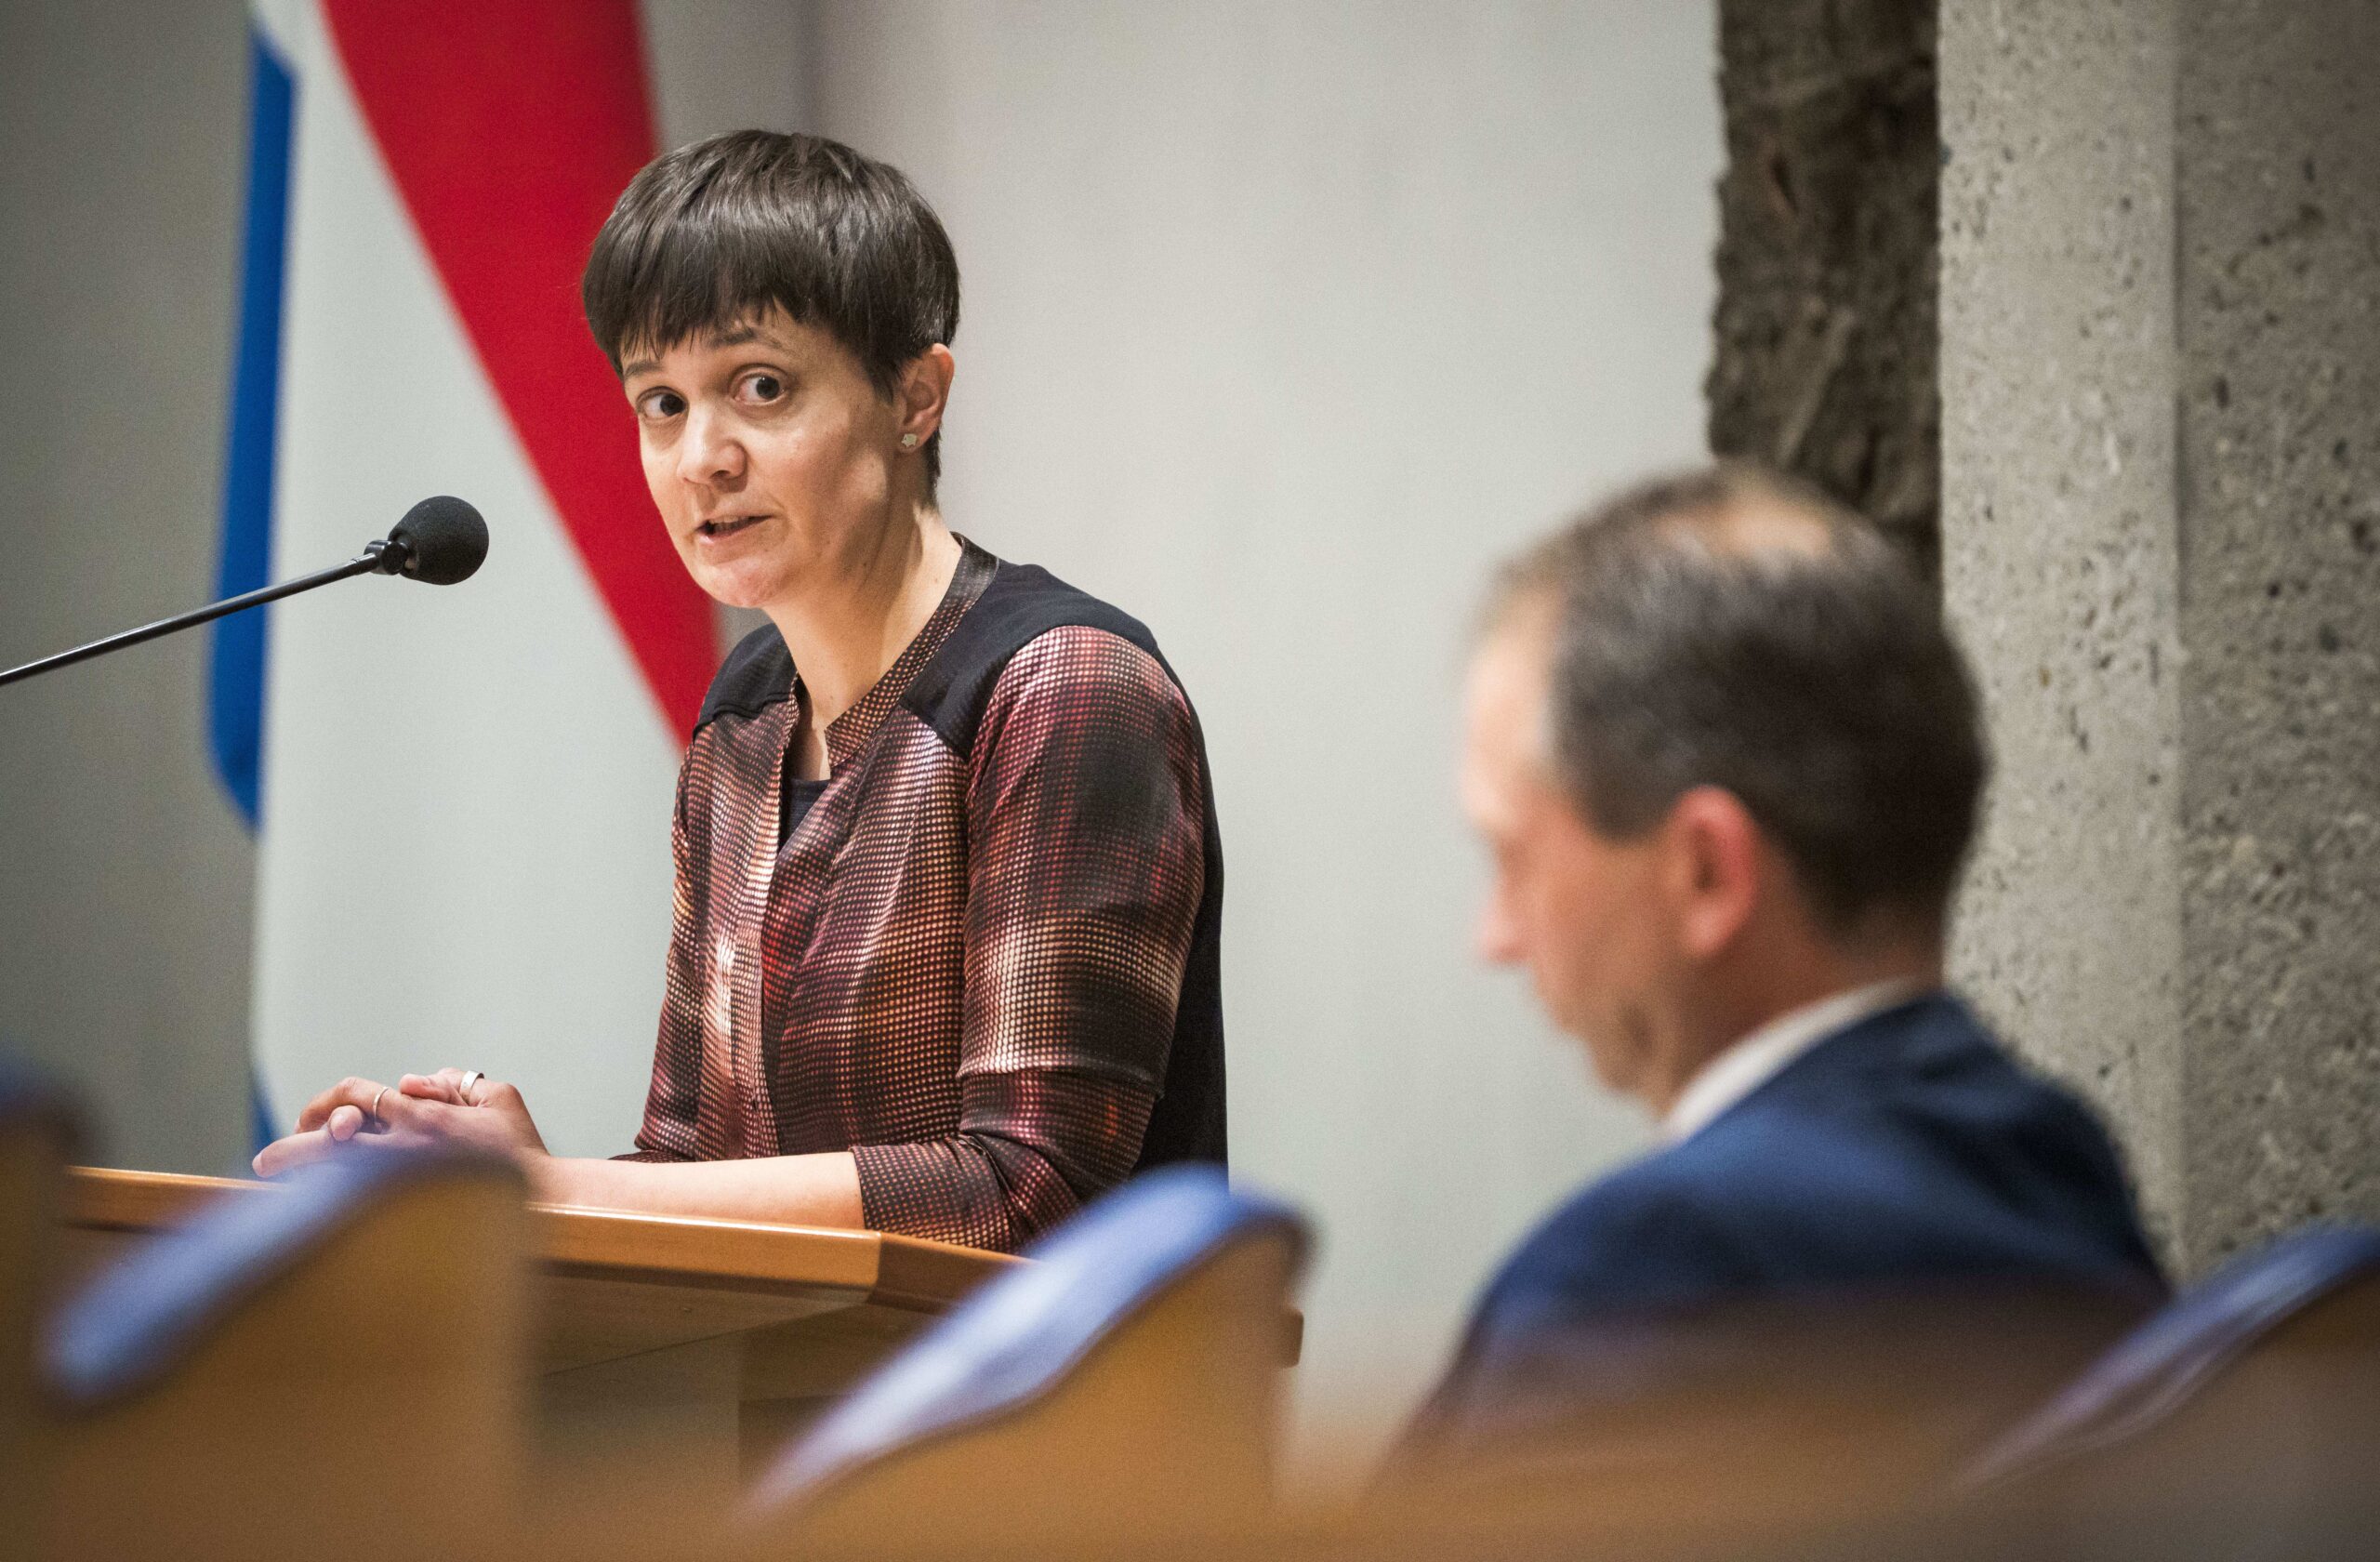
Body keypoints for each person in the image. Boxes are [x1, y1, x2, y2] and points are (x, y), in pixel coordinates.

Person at [253, 131, 1225, 1253]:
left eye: (760, 387)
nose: (700, 458)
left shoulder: (1063, 687)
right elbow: (697, 1174)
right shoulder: (745, 721)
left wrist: (553, 1193)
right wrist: (509, 1179)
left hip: (1068, 1371)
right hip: (799, 1368)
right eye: (660, 402)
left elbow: (1028, 1193)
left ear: (915, 397)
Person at [1405, 464, 2165, 1487]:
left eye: (1512, 856)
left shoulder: (1648, 1279)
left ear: (1706, 874)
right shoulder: (2057, 1167)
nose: (1493, 936)